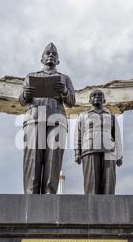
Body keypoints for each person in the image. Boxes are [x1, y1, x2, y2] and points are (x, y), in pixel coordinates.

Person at [19, 42, 76, 194]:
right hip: (34, 119)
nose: (51, 55)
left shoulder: (64, 78)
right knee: (32, 160)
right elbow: (22, 101)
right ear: (42, 59)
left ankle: (49, 196)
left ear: (58, 61)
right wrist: (26, 94)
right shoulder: (31, 76)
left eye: (54, 54)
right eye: (47, 53)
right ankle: (30, 197)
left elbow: (71, 102)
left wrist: (64, 91)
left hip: (57, 120)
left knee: (53, 161)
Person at [74, 90, 123, 194]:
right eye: (93, 95)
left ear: (104, 100)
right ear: (89, 100)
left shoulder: (111, 117)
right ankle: (92, 208)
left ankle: (109, 207)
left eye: (100, 95)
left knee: (109, 185)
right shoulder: (83, 116)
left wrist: (119, 155)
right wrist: (77, 153)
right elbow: (78, 135)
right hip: (89, 151)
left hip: (109, 152)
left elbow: (117, 137)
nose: (97, 96)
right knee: (91, 184)